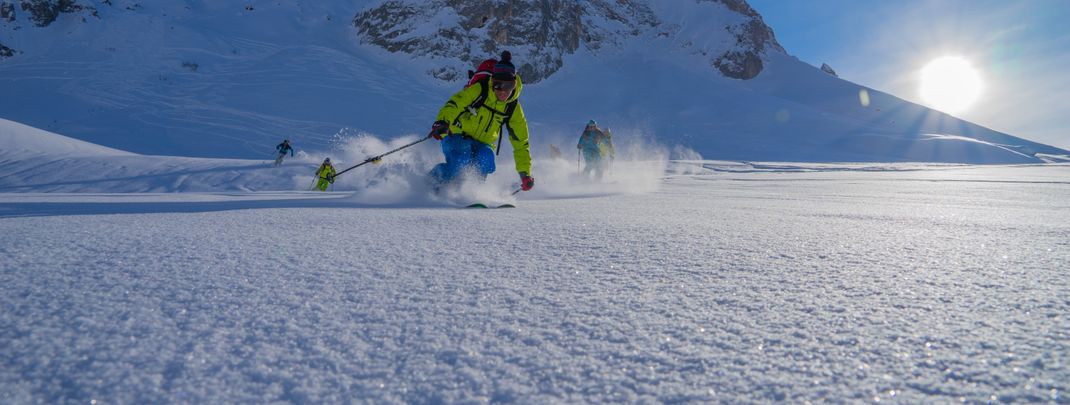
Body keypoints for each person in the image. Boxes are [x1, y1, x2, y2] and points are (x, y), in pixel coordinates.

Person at [428, 51, 534, 193]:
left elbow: (521, 142)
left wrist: (524, 174)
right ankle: (430, 184)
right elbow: (456, 103)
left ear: (514, 84)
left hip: (483, 142)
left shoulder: (513, 107)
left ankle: (471, 193)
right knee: (461, 160)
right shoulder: (480, 90)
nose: (502, 91)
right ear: (492, 82)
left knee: (485, 159)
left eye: (507, 86)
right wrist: (442, 122)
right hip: (457, 133)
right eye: (497, 85)